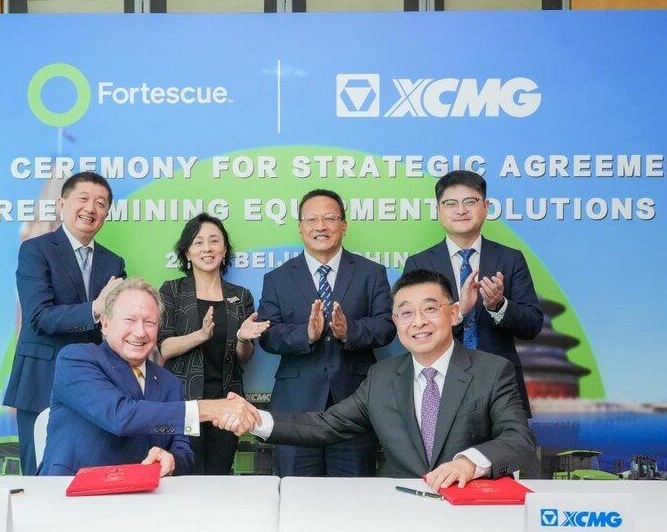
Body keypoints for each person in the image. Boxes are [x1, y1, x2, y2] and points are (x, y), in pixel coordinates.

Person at [219, 269, 539, 489]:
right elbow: (326, 425)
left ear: (454, 313)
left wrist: (469, 463)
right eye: (406, 313)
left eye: (430, 309)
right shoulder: (383, 377)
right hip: (402, 516)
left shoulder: (492, 371)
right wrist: (257, 420)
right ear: (395, 322)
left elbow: (519, 441)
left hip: (470, 518)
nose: (418, 322)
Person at [39, 277, 260, 477]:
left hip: (143, 501)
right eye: (129, 320)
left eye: (149, 323)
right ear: (105, 324)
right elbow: (121, 416)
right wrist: (211, 409)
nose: (140, 332)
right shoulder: (76, 359)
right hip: (71, 496)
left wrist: (171, 460)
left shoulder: (170, 383)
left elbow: (184, 452)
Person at [256, 189, 396, 477]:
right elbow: (268, 334)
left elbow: (387, 326)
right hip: (296, 406)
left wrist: (349, 331)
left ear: (343, 225)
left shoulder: (371, 273)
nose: (321, 226)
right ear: (300, 227)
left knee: (353, 493)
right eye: (312, 220)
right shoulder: (277, 278)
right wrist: (306, 335)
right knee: (297, 493)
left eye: (330, 218)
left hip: (355, 403)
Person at [3, 172, 128, 475]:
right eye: (83, 199)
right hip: (41, 380)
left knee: (88, 474)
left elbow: (114, 327)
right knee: (39, 476)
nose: (91, 208)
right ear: (62, 204)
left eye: (100, 203)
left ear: (106, 214)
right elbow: (38, 317)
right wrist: (95, 308)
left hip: (94, 387)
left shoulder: (114, 263)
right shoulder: (35, 250)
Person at [403, 170, 543, 415]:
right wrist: (458, 312)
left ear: (485, 207)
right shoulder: (419, 264)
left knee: (506, 441)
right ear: (438, 210)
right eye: (451, 203)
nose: (461, 210)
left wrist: (499, 305)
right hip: (440, 382)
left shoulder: (510, 259)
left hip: (500, 383)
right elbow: (412, 329)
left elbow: (532, 325)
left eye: (470, 201)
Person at [158, 214, 270, 475]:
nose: (206, 248)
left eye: (214, 241)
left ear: (224, 250)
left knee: (219, 477)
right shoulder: (172, 291)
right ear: (187, 252)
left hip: (228, 402)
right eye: (198, 242)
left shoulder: (239, 295)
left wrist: (243, 338)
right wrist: (200, 335)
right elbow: (164, 348)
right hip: (184, 400)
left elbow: (244, 356)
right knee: (185, 475)